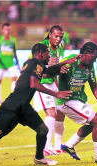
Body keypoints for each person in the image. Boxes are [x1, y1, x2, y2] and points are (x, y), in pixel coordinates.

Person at [0, 43, 77, 166]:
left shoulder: (32, 63)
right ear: (40, 53)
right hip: (12, 107)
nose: (49, 55)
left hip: (23, 107)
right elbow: (34, 84)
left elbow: (47, 73)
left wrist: (63, 64)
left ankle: (39, 157)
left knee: (43, 130)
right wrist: (56, 93)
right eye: (47, 53)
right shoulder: (35, 63)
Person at [56, 42, 97, 164]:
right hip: (67, 100)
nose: (95, 60)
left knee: (93, 125)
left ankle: (68, 145)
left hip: (79, 100)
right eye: (94, 57)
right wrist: (59, 71)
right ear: (85, 54)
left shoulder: (89, 67)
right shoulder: (70, 61)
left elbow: (94, 87)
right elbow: (50, 72)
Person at [29, 25, 66, 156]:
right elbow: (30, 62)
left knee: (61, 111)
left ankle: (57, 146)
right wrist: (47, 62)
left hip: (52, 82)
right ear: (50, 34)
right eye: (56, 36)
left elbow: (54, 68)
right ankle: (46, 147)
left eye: (61, 37)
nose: (58, 39)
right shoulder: (42, 46)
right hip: (42, 83)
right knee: (51, 113)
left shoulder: (60, 47)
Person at [0, 22, 21, 104]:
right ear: (2, 30)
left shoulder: (13, 40)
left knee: (14, 80)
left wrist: (18, 63)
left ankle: (14, 98)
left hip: (11, 63)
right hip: (1, 64)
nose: (7, 31)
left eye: (8, 29)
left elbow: (15, 52)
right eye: (5, 29)